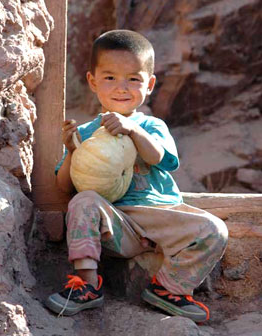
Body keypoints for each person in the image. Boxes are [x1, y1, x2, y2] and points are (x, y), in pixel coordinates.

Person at [45, 30, 228, 322]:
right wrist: (72, 151)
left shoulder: (151, 125)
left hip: (161, 216)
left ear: (150, 84)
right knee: (83, 201)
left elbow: (160, 159)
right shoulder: (88, 133)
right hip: (118, 224)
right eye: (110, 78)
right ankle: (87, 285)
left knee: (214, 229)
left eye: (133, 79)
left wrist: (132, 129)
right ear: (92, 81)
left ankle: (168, 289)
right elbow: (64, 185)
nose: (121, 87)